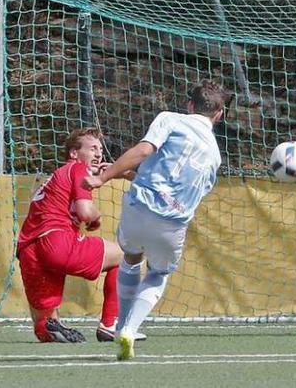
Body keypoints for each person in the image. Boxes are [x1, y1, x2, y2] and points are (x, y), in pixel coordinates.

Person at [84, 80, 228, 360]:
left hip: (140, 206)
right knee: (159, 273)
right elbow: (188, 194)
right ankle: (130, 329)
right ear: (219, 115)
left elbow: (143, 150)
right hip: (172, 222)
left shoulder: (170, 119)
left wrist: (104, 176)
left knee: (130, 257)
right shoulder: (215, 156)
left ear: (189, 106)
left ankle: (121, 324)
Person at [16, 128, 125, 343]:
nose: (98, 154)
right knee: (125, 256)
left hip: (29, 252)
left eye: (100, 150)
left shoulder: (55, 177)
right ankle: (110, 324)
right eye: (92, 148)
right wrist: (96, 217)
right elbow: (85, 211)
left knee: (45, 324)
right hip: (56, 243)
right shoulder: (77, 168)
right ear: (74, 153)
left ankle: (49, 328)